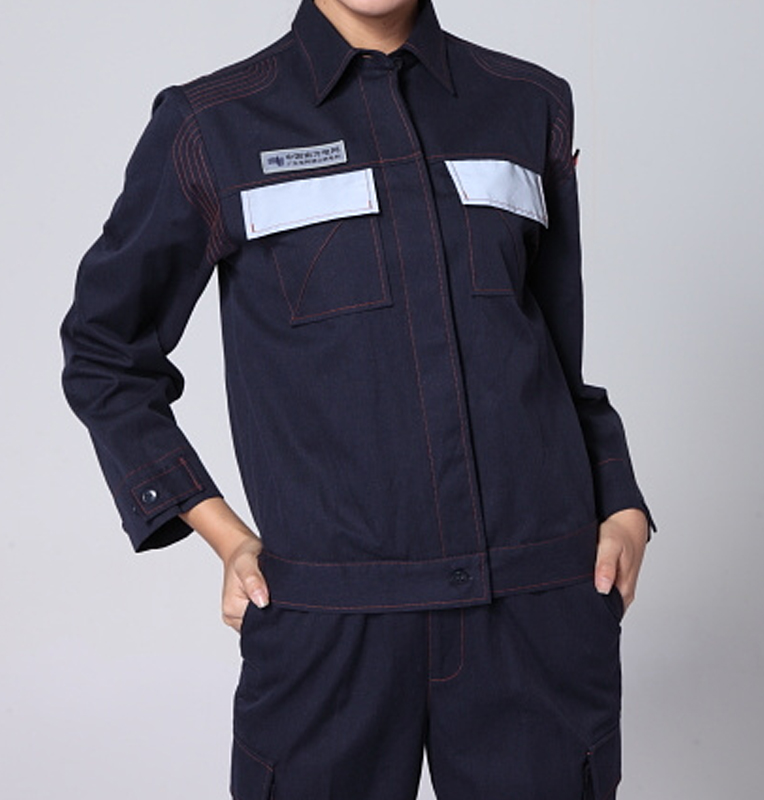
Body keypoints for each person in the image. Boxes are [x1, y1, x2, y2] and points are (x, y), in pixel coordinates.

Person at [61, 0, 653, 797]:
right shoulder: (213, 124)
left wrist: (621, 502)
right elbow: (105, 350)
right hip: (330, 623)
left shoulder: (527, 102)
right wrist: (224, 536)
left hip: (537, 603)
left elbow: (553, 349)